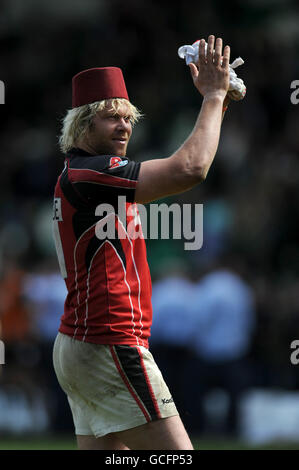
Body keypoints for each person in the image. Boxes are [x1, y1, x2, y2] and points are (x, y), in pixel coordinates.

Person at [52, 35, 231, 450]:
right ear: (82, 124)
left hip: (81, 344)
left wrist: (219, 103)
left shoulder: (81, 174)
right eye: (111, 117)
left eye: (129, 117)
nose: (124, 126)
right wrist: (213, 95)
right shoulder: (93, 172)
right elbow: (191, 168)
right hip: (109, 341)